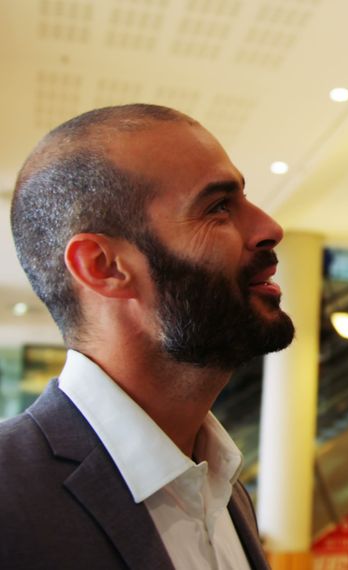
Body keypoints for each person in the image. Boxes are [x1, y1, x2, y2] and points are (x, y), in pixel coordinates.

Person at [0, 104, 295, 568]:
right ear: (103, 267)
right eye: (218, 207)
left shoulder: (225, 491)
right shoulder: (8, 495)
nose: (269, 228)